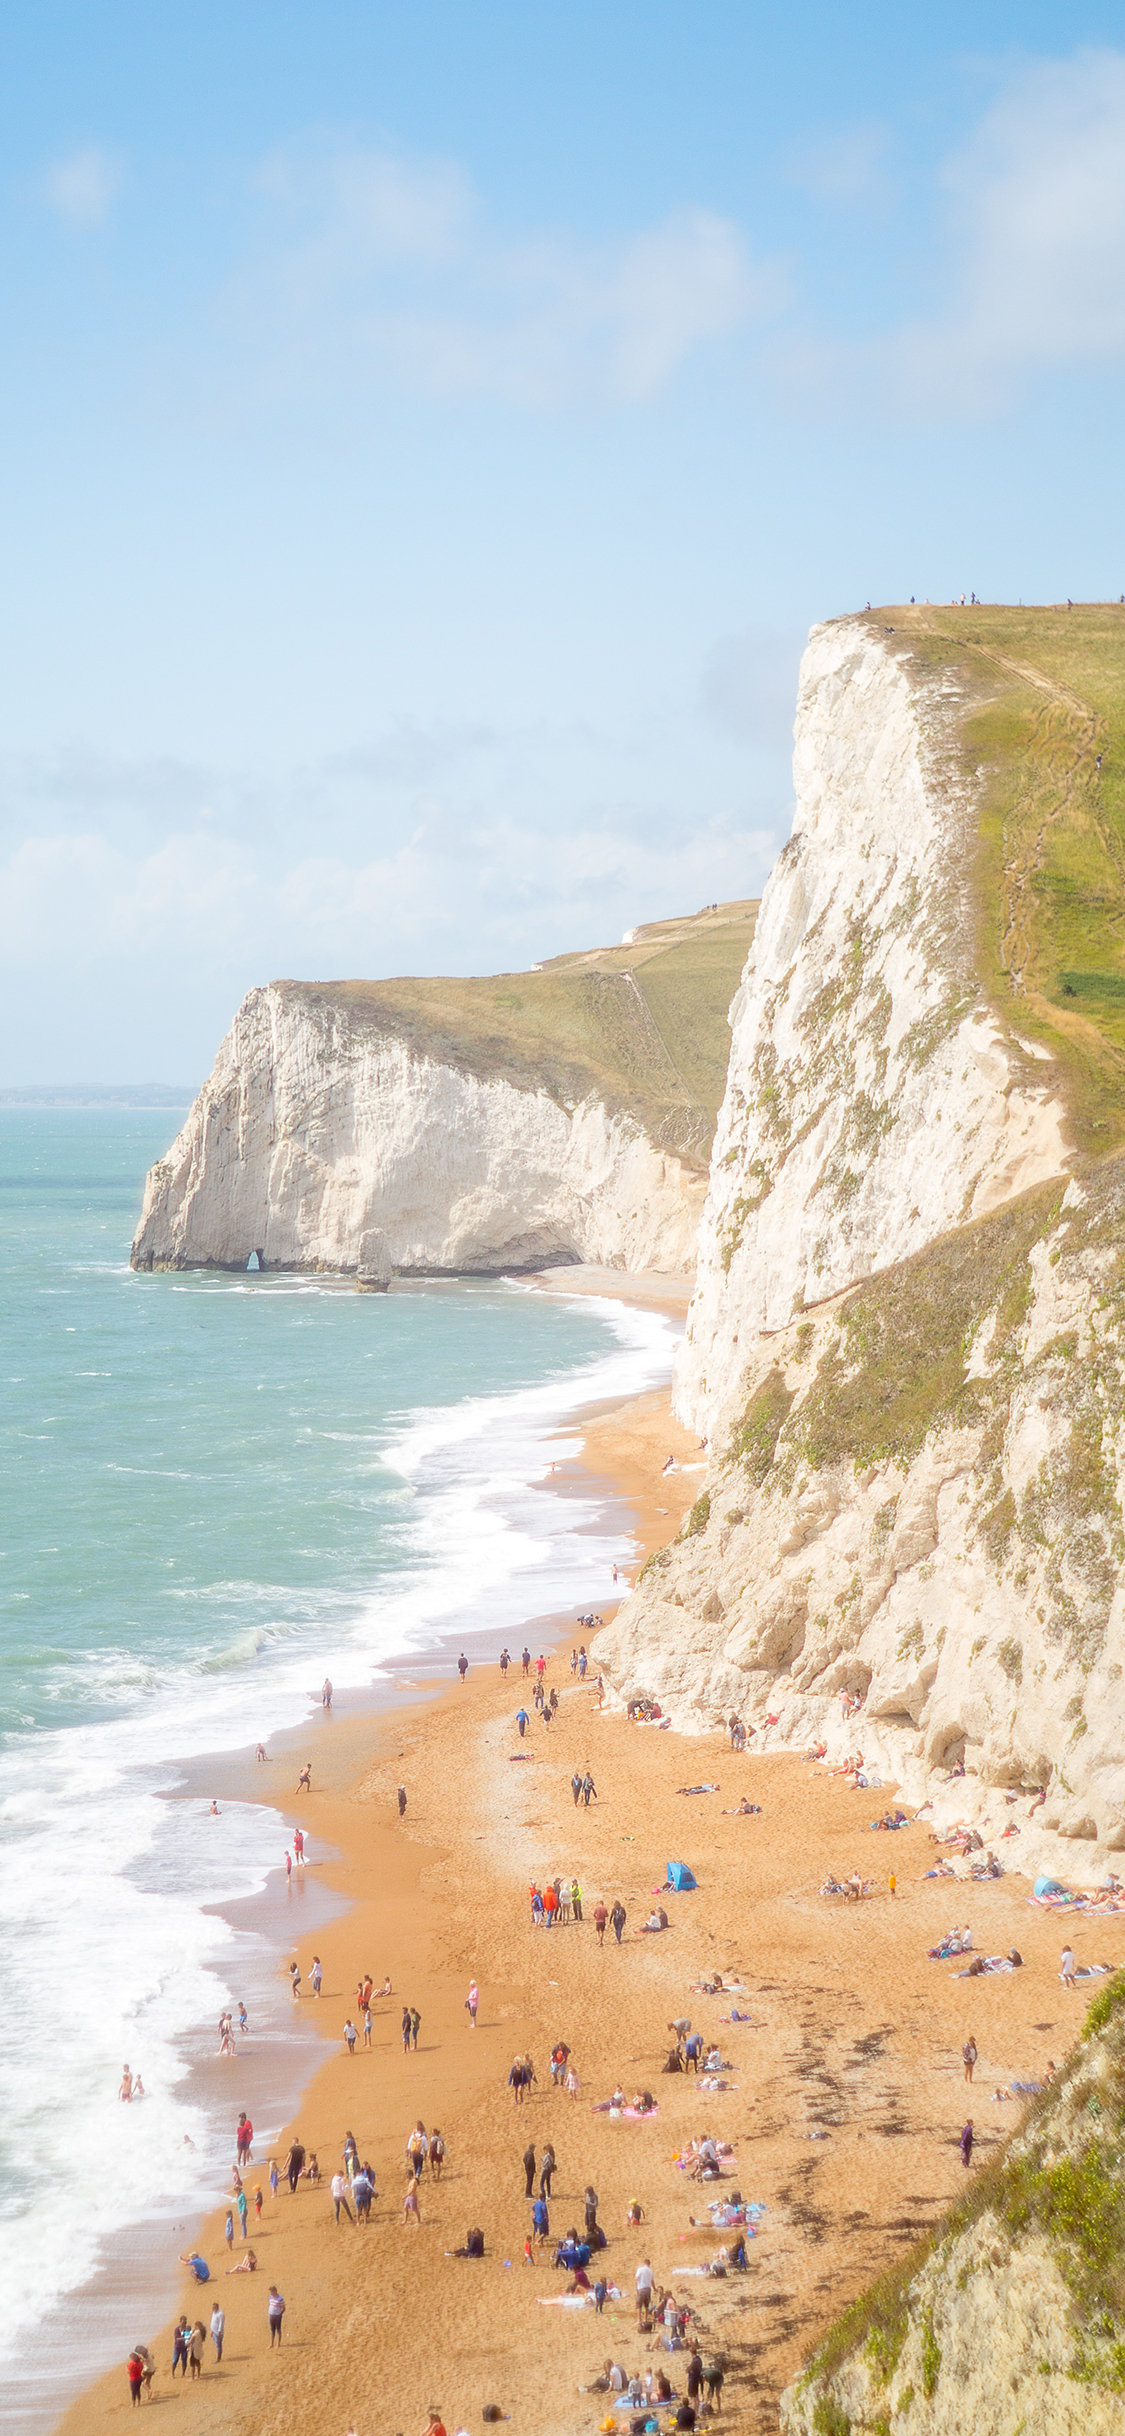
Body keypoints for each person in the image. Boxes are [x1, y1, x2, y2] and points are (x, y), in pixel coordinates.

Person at [635, 2256, 655, 2325]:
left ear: (644, 2263)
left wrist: (636, 2287)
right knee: (646, 2305)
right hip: (648, 2288)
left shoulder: (640, 2269)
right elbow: (652, 2282)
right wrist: (654, 2289)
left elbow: (636, 2279)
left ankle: (639, 2319)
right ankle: (645, 2319)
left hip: (641, 2288)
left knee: (639, 2305)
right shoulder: (651, 2271)